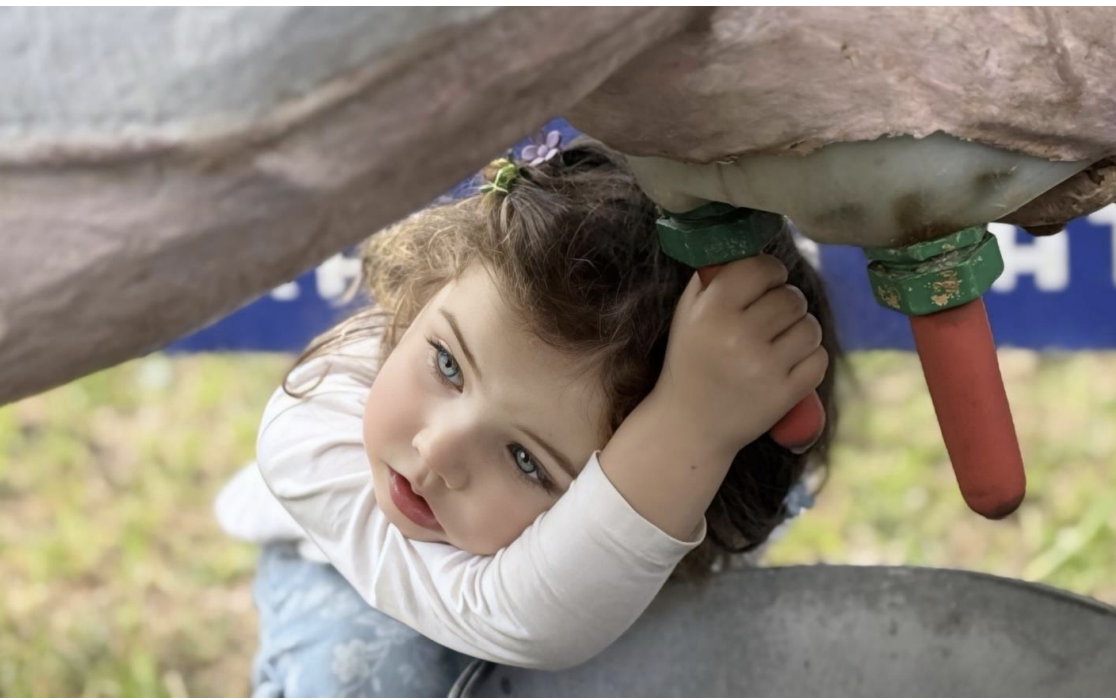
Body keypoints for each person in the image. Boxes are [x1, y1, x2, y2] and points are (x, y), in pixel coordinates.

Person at [215, 138, 841, 696]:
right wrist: (689, 421)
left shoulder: (654, 517)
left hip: (571, 599)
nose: (436, 452)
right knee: (367, 676)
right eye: (448, 364)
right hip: (333, 577)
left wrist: (701, 422)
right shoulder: (315, 417)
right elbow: (517, 616)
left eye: (526, 461)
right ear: (433, 287)